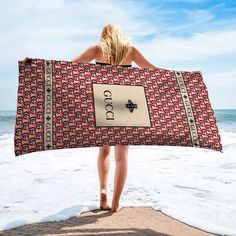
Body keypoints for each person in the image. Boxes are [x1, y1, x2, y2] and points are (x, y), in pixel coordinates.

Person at [72, 23, 163, 213]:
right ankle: (116, 203)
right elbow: (156, 71)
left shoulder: (97, 49)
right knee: (122, 157)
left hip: (102, 103)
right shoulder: (131, 51)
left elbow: (67, 68)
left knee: (104, 151)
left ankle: (103, 192)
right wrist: (185, 77)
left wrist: (37, 67)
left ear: (104, 36)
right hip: (126, 105)